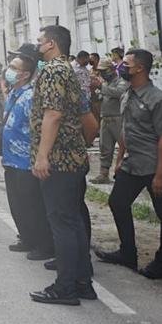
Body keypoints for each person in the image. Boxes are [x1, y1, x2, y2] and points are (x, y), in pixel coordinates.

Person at [96, 49, 162, 280]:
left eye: (126, 64)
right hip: (133, 163)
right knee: (117, 202)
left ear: (140, 68)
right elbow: (126, 129)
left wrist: (161, 174)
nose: (121, 68)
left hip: (157, 166)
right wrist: (120, 158)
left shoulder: (160, 100)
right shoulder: (127, 94)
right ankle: (127, 252)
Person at [29, 25, 95, 306]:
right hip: (72, 159)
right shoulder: (66, 69)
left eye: (40, 41)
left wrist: (42, 156)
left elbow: (53, 114)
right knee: (73, 222)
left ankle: (65, 287)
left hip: (60, 161)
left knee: (63, 223)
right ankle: (82, 282)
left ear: (52, 44)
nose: (38, 45)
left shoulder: (53, 70)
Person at [1, 44, 55, 261]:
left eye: (14, 67)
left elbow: (39, 130)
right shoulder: (15, 93)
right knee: (17, 204)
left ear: (24, 74)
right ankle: (27, 238)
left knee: (32, 206)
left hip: (25, 161)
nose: (9, 70)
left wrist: (41, 157)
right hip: (10, 159)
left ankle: (44, 245)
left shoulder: (31, 96)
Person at [90, 59, 127, 184]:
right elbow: (100, 98)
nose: (102, 74)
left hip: (118, 118)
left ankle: (125, 173)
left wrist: (100, 86)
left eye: (104, 71)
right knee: (105, 147)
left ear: (111, 69)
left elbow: (119, 93)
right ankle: (103, 174)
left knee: (124, 147)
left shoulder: (122, 82)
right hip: (105, 118)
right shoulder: (105, 83)